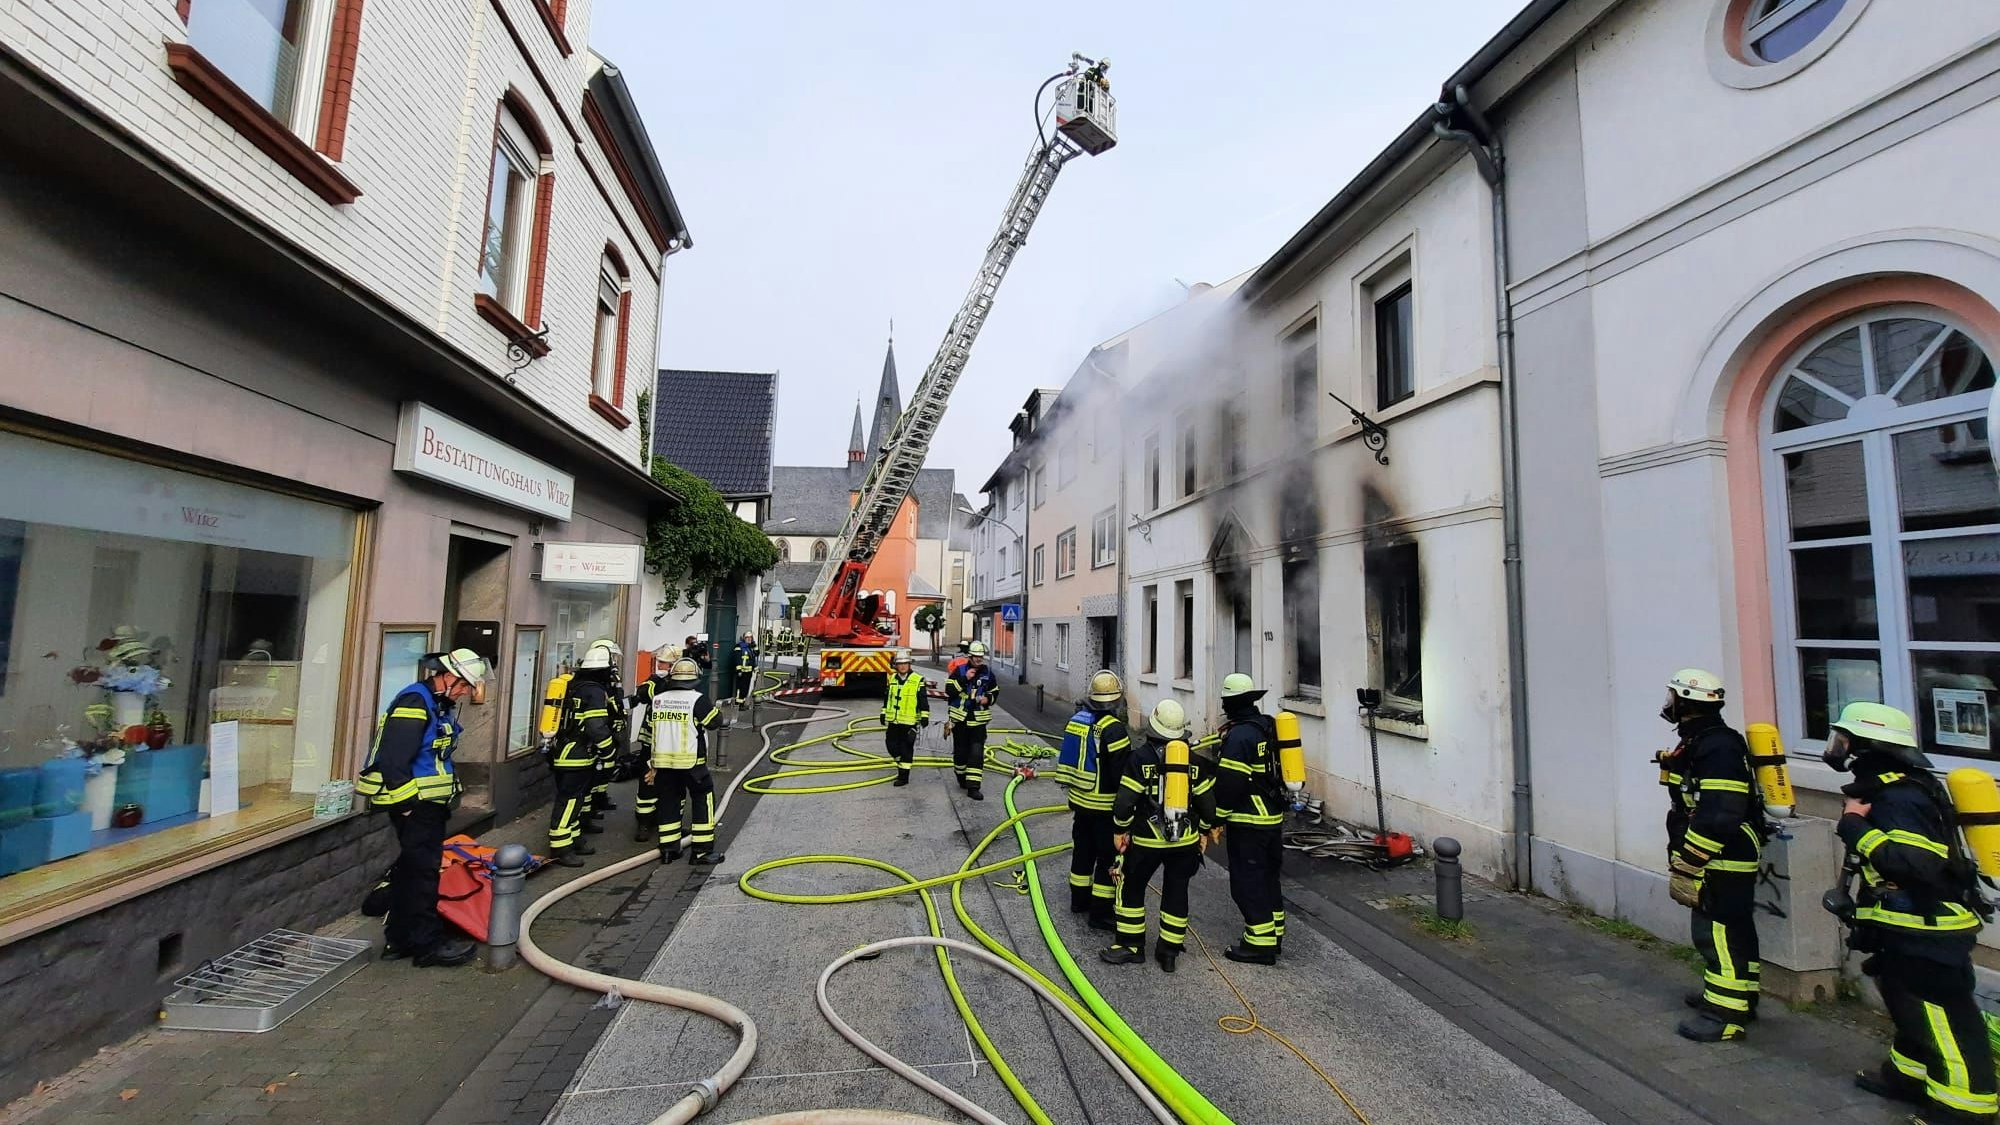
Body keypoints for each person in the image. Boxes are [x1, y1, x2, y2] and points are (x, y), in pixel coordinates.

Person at [1824, 702, 1995, 1123]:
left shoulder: (1900, 797)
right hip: (1907, 924)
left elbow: (1911, 865)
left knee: (1945, 1017)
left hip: (1927, 928)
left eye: (1846, 740)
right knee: (1908, 1005)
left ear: (1869, 746)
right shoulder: (1894, 787)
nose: (1839, 747)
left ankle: (1964, 1109)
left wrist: (1854, 827)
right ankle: (1910, 1075)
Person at [356, 648, 489, 967]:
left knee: (411, 873)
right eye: (463, 686)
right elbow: (394, 759)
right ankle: (426, 946)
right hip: (415, 806)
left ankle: (400, 939)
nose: (465, 693)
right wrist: (406, 806)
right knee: (423, 875)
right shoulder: (415, 702)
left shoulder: (435, 703)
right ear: (448, 677)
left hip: (428, 805)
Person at [1656, 669, 1766, 1043]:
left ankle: (1724, 1015)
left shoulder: (1717, 746)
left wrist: (1690, 858)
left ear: (1687, 701)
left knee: (1716, 929)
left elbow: (1721, 810)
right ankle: (1740, 994)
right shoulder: (1703, 740)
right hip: (1724, 851)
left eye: (1673, 697)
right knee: (1734, 925)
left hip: (1722, 855)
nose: (1668, 704)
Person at [1102, 698, 1218, 973]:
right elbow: (1208, 805)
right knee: (1177, 891)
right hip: (1185, 842)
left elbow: (1124, 802)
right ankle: (1169, 951)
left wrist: (1120, 829)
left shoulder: (1140, 758)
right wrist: (1204, 829)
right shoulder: (1193, 760)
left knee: (1131, 888)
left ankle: (1131, 946)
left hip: (1146, 841)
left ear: (1153, 727)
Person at [1212, 672, 1287, 965]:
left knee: (1247, 882)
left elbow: (1230, 785)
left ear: (1229, 703)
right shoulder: (1267, 726)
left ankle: (1259, 945)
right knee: (1268, 877)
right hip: (1271, 816)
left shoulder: (1239, 737)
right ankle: (1274, 934)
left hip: (1249, 820)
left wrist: (1213, 818)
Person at [633, 658, 728, 864]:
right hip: (691, 763)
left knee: (669, 802)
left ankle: (669, 849)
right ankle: (701, 851)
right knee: (703, 800)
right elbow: (715, 722)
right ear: (695, 679)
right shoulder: (697, 700)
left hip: (663, 764)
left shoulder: (658, 700)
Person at [1060, 670, 1132, 931]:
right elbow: (1121, 774)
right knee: (1106, 859)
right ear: (1116, 700)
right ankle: (1100, 913)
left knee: (1082, 852)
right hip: (1103, 807)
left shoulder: (1077, 720)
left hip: (1079, 801)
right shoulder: (1114, 729)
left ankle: (1078, 901)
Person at [548, 643, 618, 867]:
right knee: (569, 800)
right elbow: (596, 726)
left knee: (576, 798)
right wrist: (609, 751)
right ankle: (560, 847)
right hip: (576, 754)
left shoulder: (574, 685)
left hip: (564, 750)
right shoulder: (595, 691)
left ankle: (574, 838)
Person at [944, 640, 999, 800]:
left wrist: (987, 699)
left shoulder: (988, 674)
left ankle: (974, 787)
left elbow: (995, 691)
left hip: (978, 722)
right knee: (960, 754)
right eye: (975, 656)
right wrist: (964, 679)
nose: (978, 659)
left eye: (980, 657)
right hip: (960, 720)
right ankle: (961, 777)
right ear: (970, 656)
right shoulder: (959, 671)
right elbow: (949, 690)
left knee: (976, 753)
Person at [583, 638, 626, 830]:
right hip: (598, 733)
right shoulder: (594, 684)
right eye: (612, 658)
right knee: (596, 771)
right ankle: (590, 808)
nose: (614, 662)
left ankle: (599, 798)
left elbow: (615, 700)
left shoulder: (607, 678)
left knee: (605, 769)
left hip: (608, 728)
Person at [881, 652, 930, 787]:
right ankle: (900, 763)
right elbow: (888, 698)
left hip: (909, 722)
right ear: (896, 666)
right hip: (894, 721)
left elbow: (923, 700)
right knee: (890, 745)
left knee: (906, 748)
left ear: (909, 664)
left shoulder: (918, 679)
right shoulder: (892, 679)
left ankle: (903, 776)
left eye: (905, 664)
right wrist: (883, 712)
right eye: (900, 664)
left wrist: (924, 716)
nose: (902, 666)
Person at [733, 631, 760, 707]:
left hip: (749, 672)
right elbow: (737, 659)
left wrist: (755, 646)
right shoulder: (739, 646)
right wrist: (739, 670)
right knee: (741, 689)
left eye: (750, 637)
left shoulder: (750, 647)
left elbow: (757, 653)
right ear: (744, 638)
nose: (749, 639)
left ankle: (742, 703)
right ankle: (738, 705)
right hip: (742, 672)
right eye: (747, 637)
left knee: (746, 689)